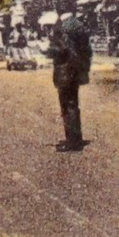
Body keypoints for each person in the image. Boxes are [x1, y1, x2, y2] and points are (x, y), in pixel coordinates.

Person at [49, 13, 93, 151]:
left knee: (67, 105)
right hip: (77, 68)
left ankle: (72, 142)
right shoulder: (79, 24)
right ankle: (76, 138)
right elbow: (87, 50)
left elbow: (61, 49)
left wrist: (48, 50)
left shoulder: (61, 25)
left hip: (64, 68)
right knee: (73, 103)